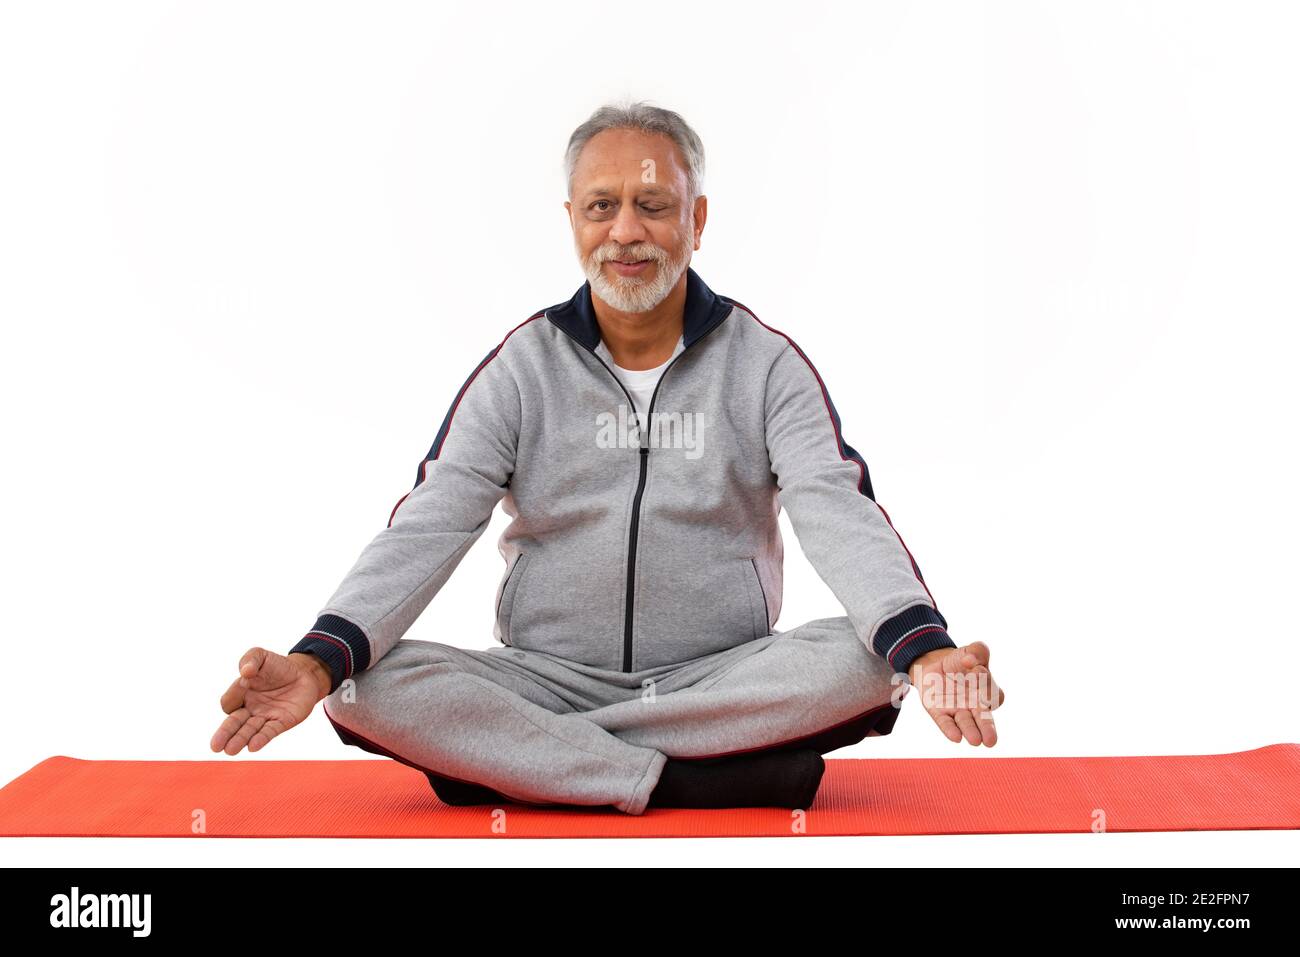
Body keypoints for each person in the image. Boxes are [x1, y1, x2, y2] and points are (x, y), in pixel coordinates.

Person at [210, 100, 1005, 815]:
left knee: (870, 661)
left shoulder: (765, 365)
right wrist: (315, 662)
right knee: (358, 684)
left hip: (720, 678)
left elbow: (838, 509)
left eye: (653, 205)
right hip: (545, 678)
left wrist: (927, 651)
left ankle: (537, 762)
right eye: (602, 206)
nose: (625, 230)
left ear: (696, 219)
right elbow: (429, 523)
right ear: (573, 220)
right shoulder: (522, 369)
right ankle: (683, 780)